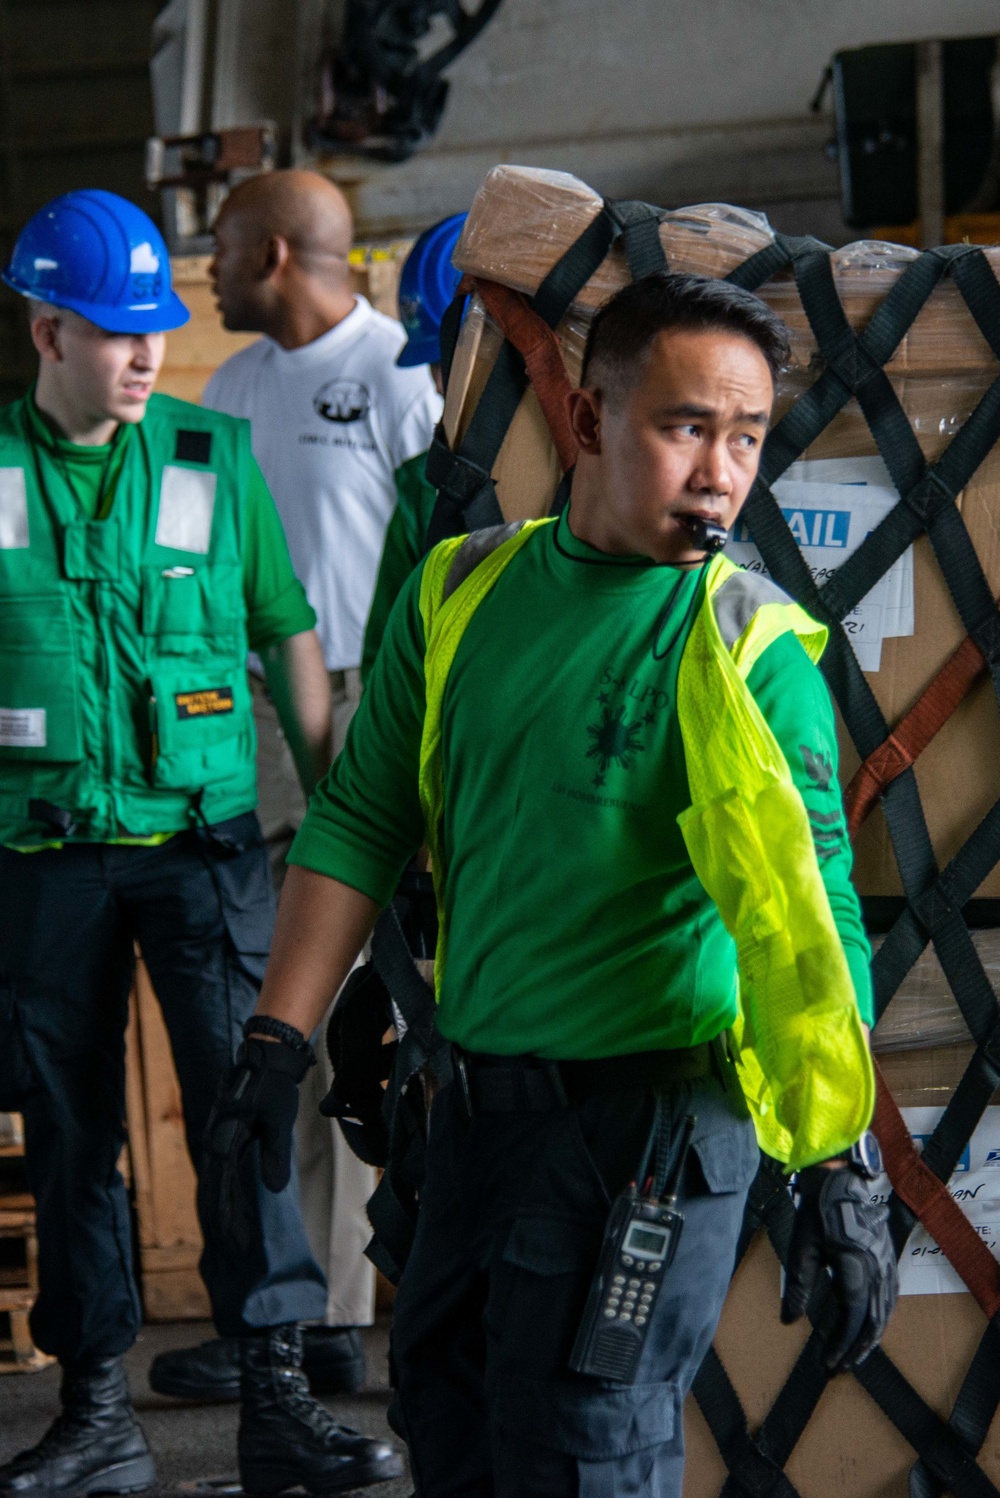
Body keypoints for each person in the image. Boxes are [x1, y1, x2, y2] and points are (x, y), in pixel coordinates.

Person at [203, 271, 899, 1496]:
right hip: (471, 1120)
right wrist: (277, 1039)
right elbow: (362, 816)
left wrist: (841, 1164)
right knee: (453, 1428)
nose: (722, 471)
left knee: (581, 1457)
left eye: (745, 437)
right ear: (584, 422)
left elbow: (808, 913)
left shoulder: (747, 647)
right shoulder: (460, 590)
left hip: (645, 1139)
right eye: (686, 426)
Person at [0, 190, 401, 1497]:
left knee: (246, 1110)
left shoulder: (205, 455)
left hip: (202, 846)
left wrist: (344, 811)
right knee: (70, 1133)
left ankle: (278, 1396)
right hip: (44, 852)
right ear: (46, 329)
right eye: (115, 333)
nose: (144, 355)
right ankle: (96, 1409)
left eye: (153, 332)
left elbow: (289, 629)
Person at [155, 168, 441, 1403]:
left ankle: (398, 1294)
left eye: (219, 252)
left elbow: (444, 548)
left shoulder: (396, 376)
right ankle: (302, 1317)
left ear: (274, 253)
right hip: (251, 702)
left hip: (375, 696)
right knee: (282, 1015)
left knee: (396, 1003)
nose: (206, 276)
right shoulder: (230, 388)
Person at [360, 212, 466, 683]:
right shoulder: (425, 483)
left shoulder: (602, 480)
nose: (438, 384)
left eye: (451, 357)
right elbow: (386, 659)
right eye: (431, 364)